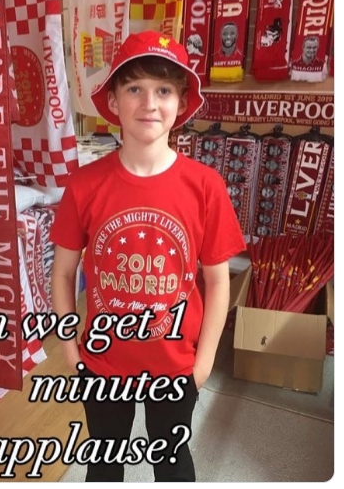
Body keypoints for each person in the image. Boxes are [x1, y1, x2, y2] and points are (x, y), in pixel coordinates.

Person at [50, 31, 246, 482]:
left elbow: (218, 281)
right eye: (135, 88)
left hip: (177, 365)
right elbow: (62, 273)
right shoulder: (84, 185)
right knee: (104, 464)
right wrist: (70, 351)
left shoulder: (205, 186)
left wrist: (203, 365)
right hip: (102, 364)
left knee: (172, 463)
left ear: (181, 102)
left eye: (163, 91)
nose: (149, 104)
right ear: (113, 101)